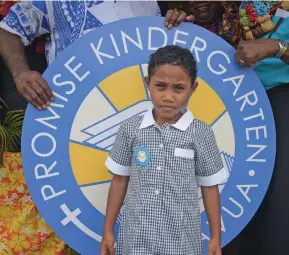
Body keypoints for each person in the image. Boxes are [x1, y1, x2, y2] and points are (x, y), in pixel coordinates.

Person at [100, 45, 228, 255]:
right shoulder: (131, 128)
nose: (169, 96)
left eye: (179, 88)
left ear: (193, 88)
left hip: (182, 242)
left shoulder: (201, 133)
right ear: (147, 83)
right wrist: (108, 230)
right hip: (136, 240)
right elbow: (119, 180)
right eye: (161, 86)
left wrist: (215, 238)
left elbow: (209, 187)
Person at [0, 1, 194, 111]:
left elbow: (160, 54)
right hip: (76, 112)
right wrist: (20, 73)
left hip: (141, 108)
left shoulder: (146, 2)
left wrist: (175, 27)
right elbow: (7, 31)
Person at [233, 1, 289, 255]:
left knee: (276, 208)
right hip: (238, 103)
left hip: (281, 100)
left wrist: (277, 48)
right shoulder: (236, 7)